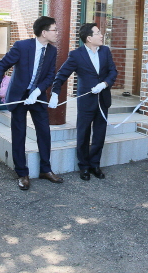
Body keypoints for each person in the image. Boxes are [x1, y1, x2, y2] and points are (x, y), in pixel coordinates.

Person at [0, 16, 63, 190]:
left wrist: (38, 90)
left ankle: (46, 169)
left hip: (37, 96)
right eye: (54, 29)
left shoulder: (52, 50)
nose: (57, 33)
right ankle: (22, 173)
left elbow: (50, 75)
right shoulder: (22, 46)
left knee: (44, 131)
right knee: (19, 133)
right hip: (19, 95)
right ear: (44, 32)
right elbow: (1, 66)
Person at [49, 23, 118, 180]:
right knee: (83, 134)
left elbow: (113, 71)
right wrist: (55, 93)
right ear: (89, 38)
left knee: (99, 135)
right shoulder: (76, 55)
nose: (102, 35)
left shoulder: (105, 51)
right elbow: (61, 75)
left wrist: (104, 84)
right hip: (86, 102)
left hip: (103, 100)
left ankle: (95, 165)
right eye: (98, 33)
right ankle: (84, 167)